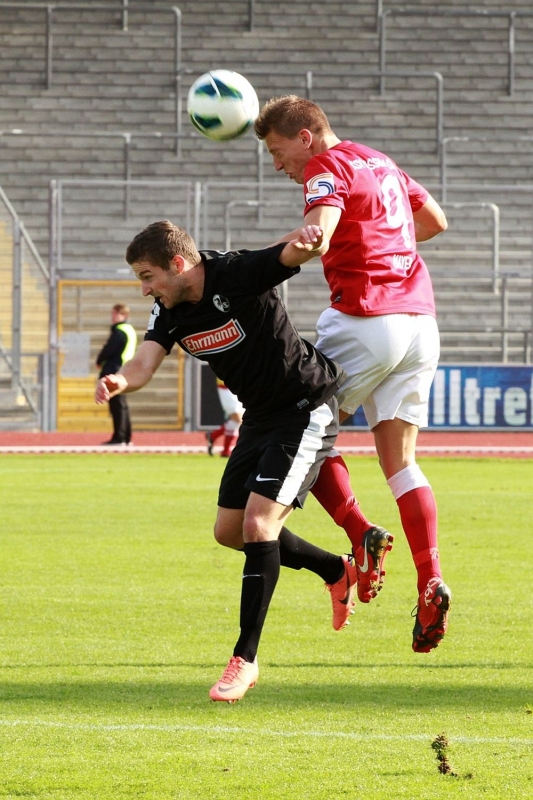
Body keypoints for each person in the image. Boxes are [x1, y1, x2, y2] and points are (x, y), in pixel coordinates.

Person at [95, 219, 360, 704]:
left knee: (259, 525)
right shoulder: (168, 309)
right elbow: (144, 363)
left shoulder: (235, 273)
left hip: (304, 407)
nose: (145, 288)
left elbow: (286, 255)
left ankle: (245, 659)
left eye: (148, 276)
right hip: (260, 418)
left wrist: (310, 241)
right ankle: (334, 569)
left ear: (178, 264)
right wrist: (120, 381)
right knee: (229, 532)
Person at [255, 96, 451, 654]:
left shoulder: (326, 166)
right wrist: (384, 239)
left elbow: (318, 232)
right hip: (420, 322)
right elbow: (434, 221)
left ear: (306, 137)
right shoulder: (381, 161)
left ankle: (360, 533)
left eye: (278, 151)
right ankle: (430, 578)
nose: (278, 165)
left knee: (299, 429)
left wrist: (257, 263)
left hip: (366, 317)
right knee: (402, 463)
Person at [96, 303, 137, 445]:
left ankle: (119, 437)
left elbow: (109, 349)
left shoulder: (120, 331)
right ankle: (126, 437)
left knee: (117, 405)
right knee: (122, 405)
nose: (112, 317)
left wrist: (99, 360)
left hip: (115, 369)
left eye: (115, 313)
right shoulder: (130, 330)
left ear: (123, 315)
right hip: (124, 369)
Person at [206, 375, 244, 457]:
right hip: (226, 386)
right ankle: (214, 436)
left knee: (236, 421)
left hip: (239, 385)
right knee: (237, 418)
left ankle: (224, 450)